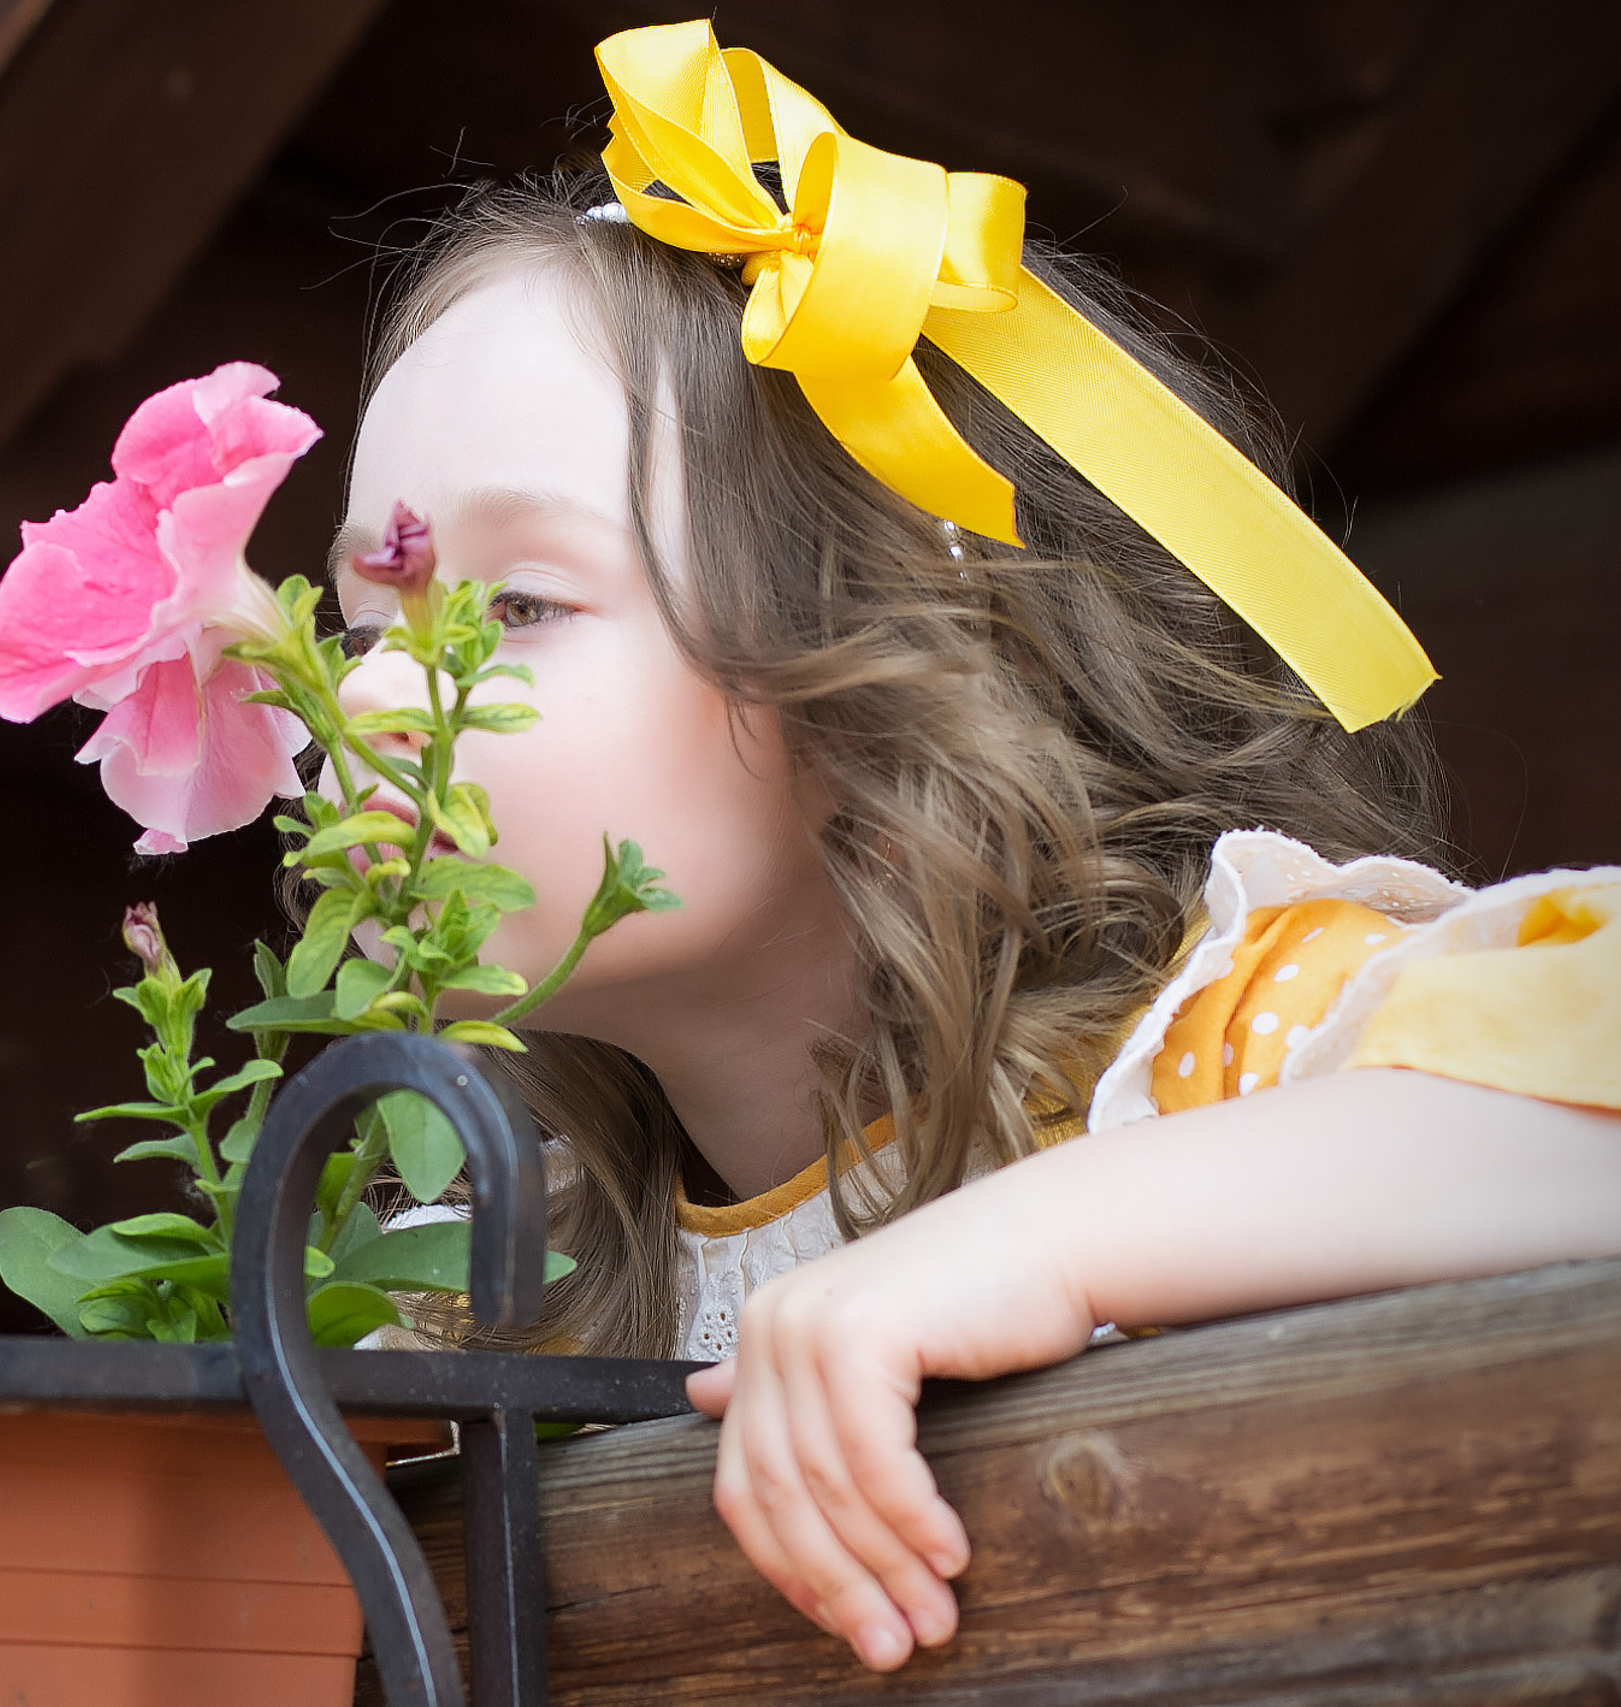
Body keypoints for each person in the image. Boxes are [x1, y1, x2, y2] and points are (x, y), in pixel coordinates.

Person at [324, 19, 1621, 1675]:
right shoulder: (492, 1266)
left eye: (516, 605)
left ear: (888, 657)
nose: (372, 704)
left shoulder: (1231, 1051)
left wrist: (1042, 1237)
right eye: (360, 617)